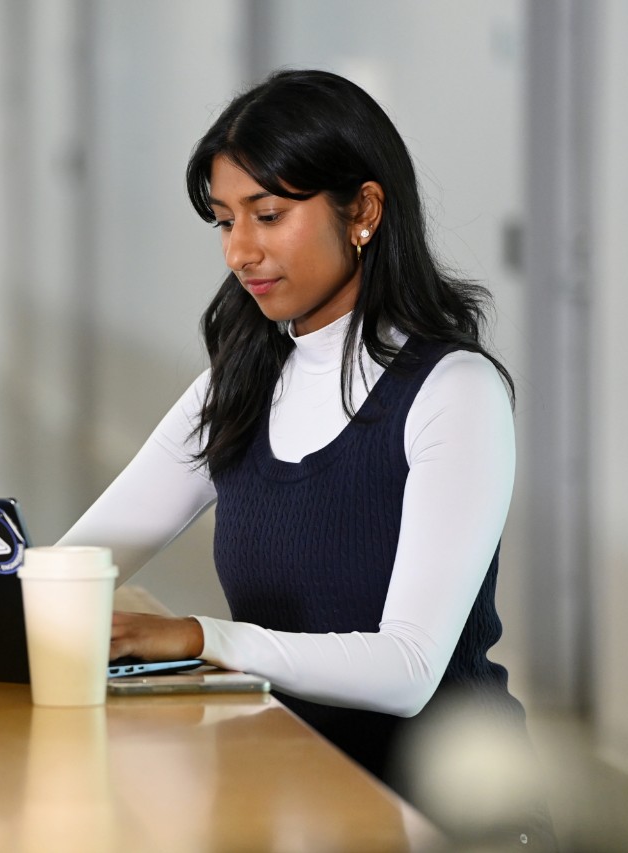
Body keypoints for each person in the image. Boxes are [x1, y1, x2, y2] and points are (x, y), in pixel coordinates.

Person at [57, 69, 554, 848]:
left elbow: (409, 666)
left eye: (269, 215)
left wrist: (202, 638)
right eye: (224, 220)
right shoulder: (241, 377)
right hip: (294, 792)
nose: (239, 251)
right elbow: (80, 561)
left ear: (362, 210)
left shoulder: (453, 390)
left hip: (446, 815)